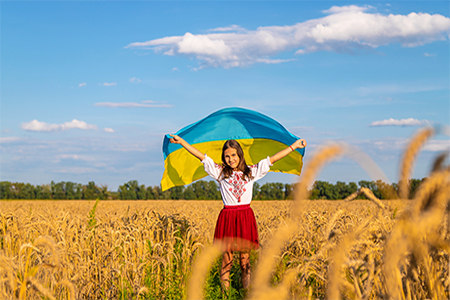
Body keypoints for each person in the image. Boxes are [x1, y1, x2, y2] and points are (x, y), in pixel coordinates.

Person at [169, 134, 307, 291]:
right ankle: (225, 295)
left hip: (244, 218)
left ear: (239, 155)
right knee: (226, 261)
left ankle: (246, 293)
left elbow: (273, 159)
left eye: (233, 155)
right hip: (228, 217)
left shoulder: (251, 172)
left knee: (245, 262)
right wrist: (181, 142)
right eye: (226, 156)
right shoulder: (220, 173)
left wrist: (294, 146)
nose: (230, 159)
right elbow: (200, 156)